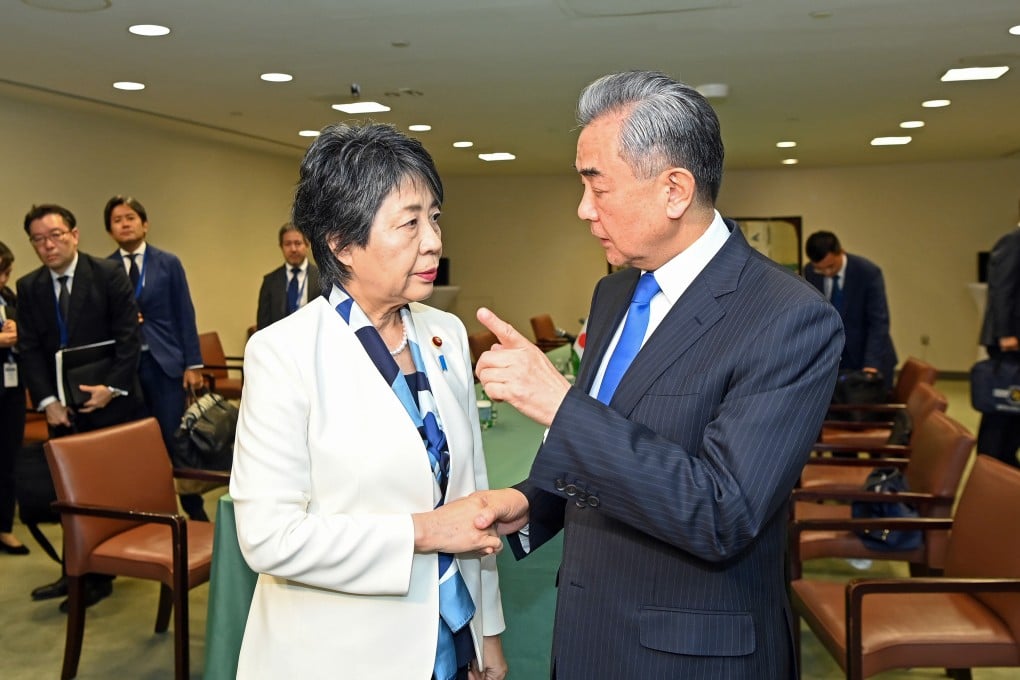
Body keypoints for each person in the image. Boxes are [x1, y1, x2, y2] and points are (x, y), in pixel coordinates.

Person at [471, 71, 844, 679]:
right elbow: (608, 449)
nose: (583, 209)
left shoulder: (789, 318)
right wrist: (532, 503)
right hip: (590, 635)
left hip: (693, 656)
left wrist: (559, 403)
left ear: (675, 190)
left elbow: (724, 512)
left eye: (598, 185)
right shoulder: (615, 291)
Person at [230, 123, 508, 680]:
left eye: (434, 217)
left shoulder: (445, 333)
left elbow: (468, 498)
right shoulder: (282, 354)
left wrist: (487, 633)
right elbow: (269, 538)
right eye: (409, 223)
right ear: (341, 243)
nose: (432, 240)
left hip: (450, 634)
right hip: (338, 654)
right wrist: (425, 531)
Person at [17, 204, 143, 610]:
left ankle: (100, 574)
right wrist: (48, 401)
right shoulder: (29, 286)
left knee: (103, 495)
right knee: (69, 498)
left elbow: (128, 339)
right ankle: (73, 573)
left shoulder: (107, 275)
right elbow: (31, 349)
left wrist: (111, 387)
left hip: (107, 405)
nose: (47, 245)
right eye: (38, 239)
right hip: (61, 411)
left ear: (74, 234)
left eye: (55, 235)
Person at [103, 195, 209, 519]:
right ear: (110, 230)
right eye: (117, 219)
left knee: (173, 437)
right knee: (137, 444)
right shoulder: (104, 269)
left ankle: (194, 510)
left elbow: (184, 313)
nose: (125, 223)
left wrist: (193, 364)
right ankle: (150, 513)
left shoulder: (168, 263)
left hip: (166, 364)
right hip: (125, 368)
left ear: (144, 224)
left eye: (130, 217)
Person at [804, 230, 897, 390]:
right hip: (837, 360)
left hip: (867, 357)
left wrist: (871, 363)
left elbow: (878, 322)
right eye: (820, 269)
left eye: (831, 266)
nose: (827, 272)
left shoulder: (867, 273)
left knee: (864, 412)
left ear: (841, 252)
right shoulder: (810, 272)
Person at [977, 225, 1020, 467]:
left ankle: (1006, 460)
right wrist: (1005, 334)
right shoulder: (1013, 241)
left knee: (1014, 407)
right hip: (1010, 342)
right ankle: (992, 462)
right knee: (1002, 403)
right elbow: (1002, 289)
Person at [0, 241, 29, 555]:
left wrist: (18, 335)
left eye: (5, 272)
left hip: (10, 390)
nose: (3, 280)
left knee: (8, 460)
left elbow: (29, 337)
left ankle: (4, 527)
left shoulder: (9, 298)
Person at [255, 223, 322, 330]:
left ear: (307, 245)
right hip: (279, 344)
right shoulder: (270, 282)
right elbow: (263, 326)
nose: (293, 249)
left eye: (298, 243)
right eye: (288, 244)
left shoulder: (322, 279)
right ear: (281, 247)